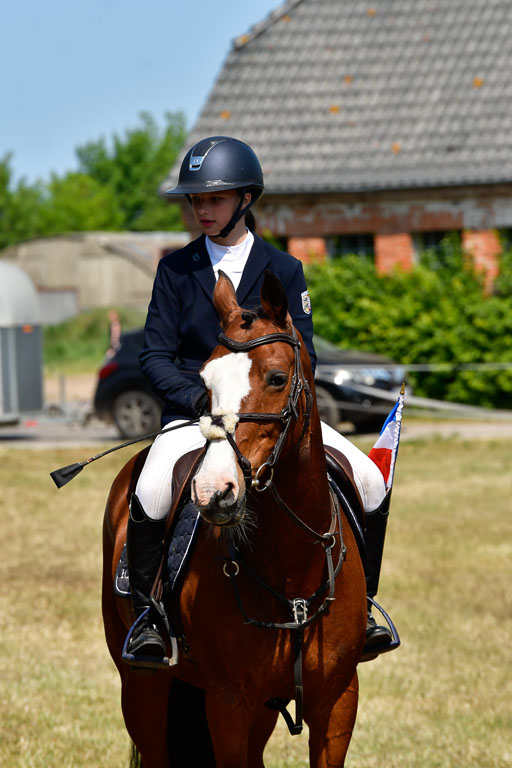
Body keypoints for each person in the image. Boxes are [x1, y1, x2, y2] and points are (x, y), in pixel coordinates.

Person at [126, 136, 392, 663]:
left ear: (245, 199)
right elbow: (154, 356)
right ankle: (149, 616)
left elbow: (305, 356)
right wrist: (204, 401)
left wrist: (268, 402)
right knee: (153, 489)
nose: (202, 209)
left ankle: (363, 606)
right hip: (196, 416)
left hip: (271, 416)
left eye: (214, 199)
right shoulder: (174, 271)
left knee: (370, 478)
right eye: (196, 201)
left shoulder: (286, 270)